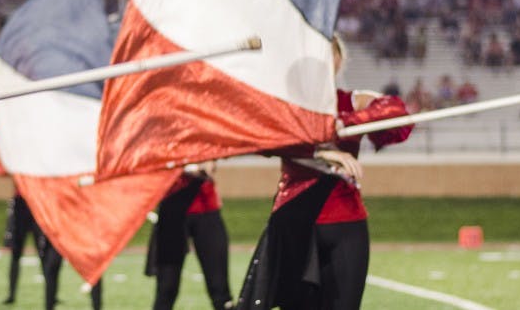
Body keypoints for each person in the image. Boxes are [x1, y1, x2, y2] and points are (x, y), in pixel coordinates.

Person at [238, 34, 413, 310]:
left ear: (338, 59)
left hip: (346, 220)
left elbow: (398, 114)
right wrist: (321, 149)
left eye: (327, 54)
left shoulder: (351, 101)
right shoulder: (287, 107)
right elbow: (259, 138)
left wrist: (342, 123)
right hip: (295, 218)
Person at [146, 161, 232, 310]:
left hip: (207, 209)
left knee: (219, 288)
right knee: (167, 288)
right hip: (172, 211)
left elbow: (214, 156)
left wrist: (209, 162)